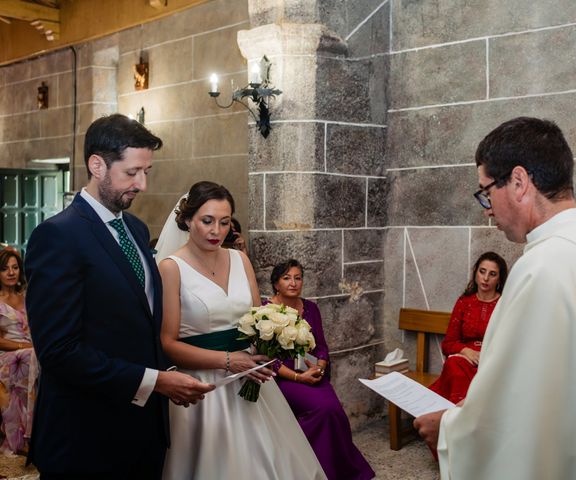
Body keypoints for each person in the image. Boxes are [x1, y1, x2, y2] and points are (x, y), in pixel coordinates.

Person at [414, 117, 576, 479]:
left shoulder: (541, 269)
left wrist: (450, 430)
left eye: (486, 191)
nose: (486, 209)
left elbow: (515, 419)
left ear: (519, 182)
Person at [24, 114, 213, 480]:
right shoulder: (58, 236)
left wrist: (166, 374)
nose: (142, 184)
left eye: (147, 171)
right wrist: (154, 381)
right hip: (86, 434)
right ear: (97, 165)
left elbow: (140, 321)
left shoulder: (137, 230)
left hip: (143, 428)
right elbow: (59, 351)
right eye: (132, 172)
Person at [156, 182, 326, 480]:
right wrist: (227, 361)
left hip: (250, 376)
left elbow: (256, 318)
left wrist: (263, 353)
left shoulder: (240, 259)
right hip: (203, 387)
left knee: (268, 461)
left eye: (224, 222)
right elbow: (168, 343)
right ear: (187, 220)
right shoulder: (172, 268)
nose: (216, 231)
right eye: (207, 221)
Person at [266, 259, 375, 480]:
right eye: (286, 278)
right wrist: (298, 376)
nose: (293, 283)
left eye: (298, 278)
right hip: (285, 377)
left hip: (311, 370)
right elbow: (269, 360)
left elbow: (322, 346)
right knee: (323, 410)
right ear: (276, 284)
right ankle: (302, 467)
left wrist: (320, 366)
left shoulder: (311, 308)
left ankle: (341, 470)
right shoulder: (265, 311)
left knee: (337, 414)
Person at [428, 251, 507, 405]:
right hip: (464, 362)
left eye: (492, 274)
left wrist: (486, 356)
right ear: (475, 273)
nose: (485, 278)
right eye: (482, 271)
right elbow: (448, 344)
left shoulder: (505, 304)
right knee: (454, 365)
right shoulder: (464, 303)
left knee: (467, 374)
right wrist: (466, 351)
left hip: (492, 362)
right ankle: (460, 413)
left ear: (499, 279)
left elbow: (510, 343)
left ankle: (456, 416)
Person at [0, 248, 38, 454]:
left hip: (33, 353)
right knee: (29, 358)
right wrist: (27, 347)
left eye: (15, 267)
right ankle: (22, 438)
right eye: (5, 269)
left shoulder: (27, 297)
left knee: (41, 359)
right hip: (7, 356)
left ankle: (39, 433)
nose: (11, 272)